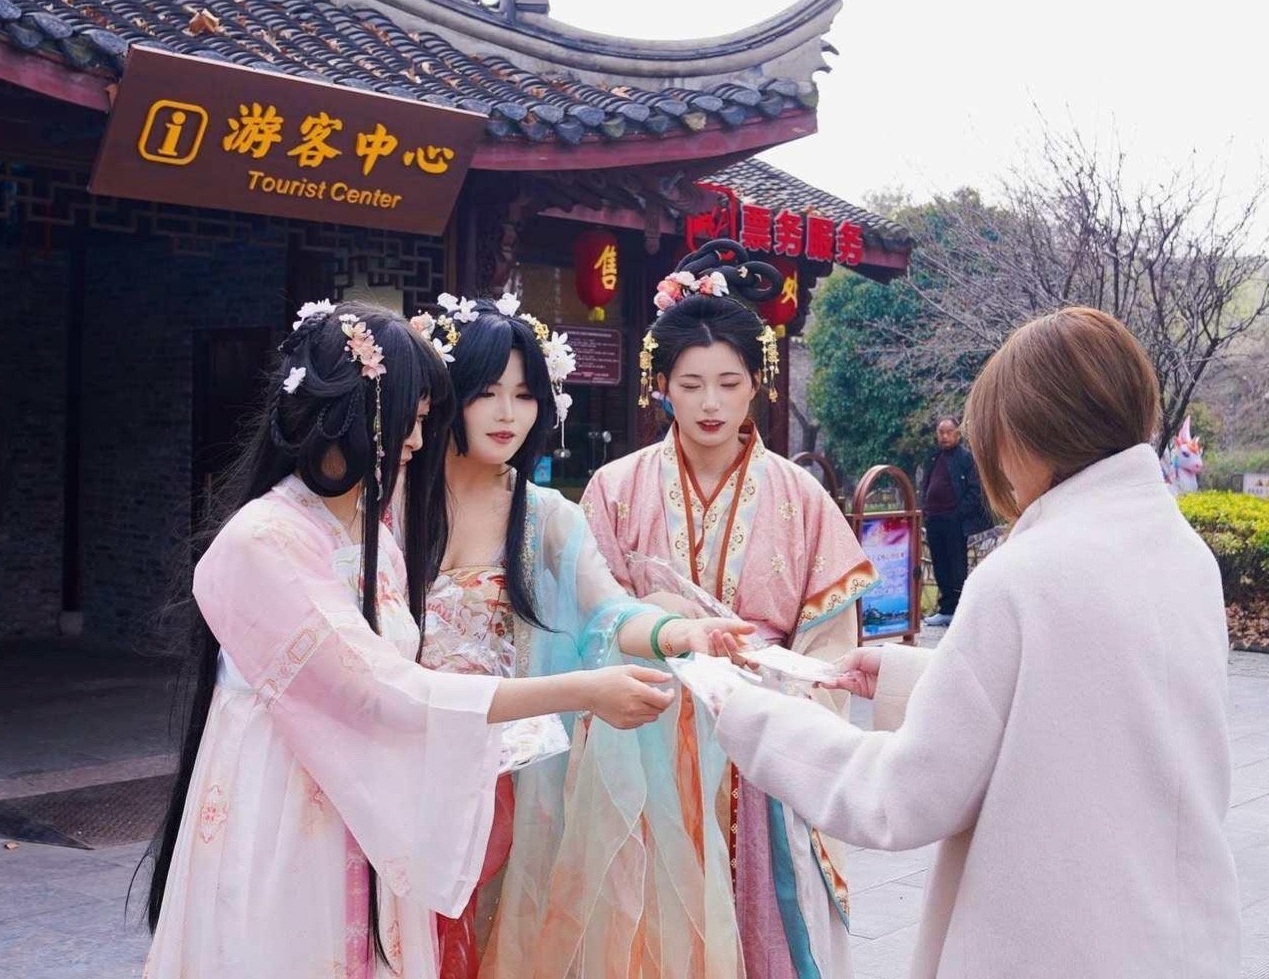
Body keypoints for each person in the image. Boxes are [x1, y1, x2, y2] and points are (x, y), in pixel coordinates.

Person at [143, 301, 677, 979]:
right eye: (412, 419)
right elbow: (382, 689)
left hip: (365, 799)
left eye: (426, 419)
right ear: (354, 415)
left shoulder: (367, 531)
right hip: (284, 807)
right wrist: (580, 692)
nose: (422, 441)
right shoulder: (264, 539)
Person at [709, 306, 1241, 979]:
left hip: (1055, 944)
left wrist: (753, 714)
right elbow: (1086, 698)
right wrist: (914, 678)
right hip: (1178, 938)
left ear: (1023, 435)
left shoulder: (1024, 574)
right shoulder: (1183, 555)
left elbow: (902, 798)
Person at [397, 293, 751, 977]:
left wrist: (680, 631)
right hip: (395, 751)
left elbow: (609, 611)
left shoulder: (544, 516)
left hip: (498, 769)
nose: (507, 414)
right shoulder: (388, 500)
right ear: (445, 395)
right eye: (486, 393)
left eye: (525, 395)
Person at [581, 240, 879, 979]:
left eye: (728, 383)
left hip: (764, 735)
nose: (710, 403)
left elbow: (829, 640)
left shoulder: (801, 496)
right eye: (690, 384)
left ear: (757, 385)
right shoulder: (614, 488)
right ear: (661, 387)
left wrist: (789, 707)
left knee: (763, 924)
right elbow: (589, 620)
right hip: (647, 730)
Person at [917, 416, 989, 626]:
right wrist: (925, 509)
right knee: (940, 564)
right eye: (941, 432)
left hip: (954, 521)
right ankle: (946, 609)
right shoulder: (933, 456)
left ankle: (959, 609)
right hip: (934, 519)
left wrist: (957, 514)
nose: (945, 436)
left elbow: (976, 490)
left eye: (949, 432)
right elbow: (926, 484)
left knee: (956, 566)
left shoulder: (965, 458)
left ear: (958, 433)